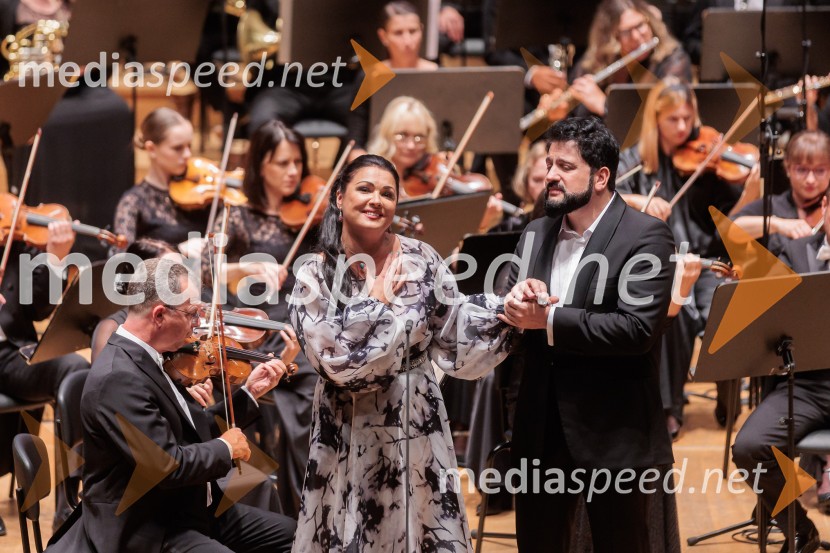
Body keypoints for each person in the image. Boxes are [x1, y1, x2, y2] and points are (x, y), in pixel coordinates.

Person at [287, 154, 512, 552]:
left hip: (416, 413)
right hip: (348, 424)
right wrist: (375, 300)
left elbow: (454, 327)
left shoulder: (422, 258)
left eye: (388, 193)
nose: (377, 199)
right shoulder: (314, 273)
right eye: (365, 189)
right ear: (339, 197)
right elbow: (337, 362)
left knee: (421, 526)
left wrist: (508, 310)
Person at [498, 117, 677, 553]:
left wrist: (551, 320)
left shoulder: (646, 235)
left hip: (613, 431)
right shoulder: (535, 231)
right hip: (541, 429)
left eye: (564, 166)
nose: (550, 175)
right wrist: (513, 302)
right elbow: (508, 307)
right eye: (548, 163)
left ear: (601, 176)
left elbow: (637, 330)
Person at [48, 258, 298, 553]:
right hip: (148, 527)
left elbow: (192, 430)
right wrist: (226, 449)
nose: (197, 325)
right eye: (192, 314)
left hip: (190, 508)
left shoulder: (154, 357)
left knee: (297, 535)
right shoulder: (118, 378)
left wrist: (250, 393)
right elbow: (167, 466)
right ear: (159, 316)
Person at [617, 78, 760, 430]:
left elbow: (731, 224)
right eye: (672, 120)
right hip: (660, 265)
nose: (682, 127)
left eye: (687, 118)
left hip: (709, 260)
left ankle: (728, 397)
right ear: (655, 120)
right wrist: (640, 204)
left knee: (727, 309)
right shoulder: (635, 160)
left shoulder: (711, 157)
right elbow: (608, 200)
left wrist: (750, 193)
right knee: (673, 313)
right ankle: (671, 407)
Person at [205, 119, 318, 517]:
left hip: (305, 320)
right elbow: (206, 270)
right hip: (259, 326)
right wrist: (245, 269)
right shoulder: (239, 216)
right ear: (260, 166)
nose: (293, 172)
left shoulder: (314, 214)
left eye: (298, 163)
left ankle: (314, 498)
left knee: (319, 374)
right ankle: (289, 507)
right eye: (282, 163)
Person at [732, 186, 830, 553]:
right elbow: (772, 325)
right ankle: (799, 527)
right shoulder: (795, 252)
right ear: (824, 206)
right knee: (749, 448)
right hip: (804, 384)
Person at [0, 220, 90, 534]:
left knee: (76, 369)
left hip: (10, 352)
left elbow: (38, 309)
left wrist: (54, 257)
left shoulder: (14, 244)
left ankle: (69, 503)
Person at [367, 95, 505, 231]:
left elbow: (452, 232)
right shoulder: (372, 174)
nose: (410, 145)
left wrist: (481, 220)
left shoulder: (440, 169)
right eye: (402, 135)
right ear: (387, 135)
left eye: (419, 137)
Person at [539, 0, 691, 122]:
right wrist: (559, 114)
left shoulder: (674, 60)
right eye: (626, 32)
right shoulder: (595, 63)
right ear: (611, 39)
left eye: (640, 25)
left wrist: (605, 105)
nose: (637, 37)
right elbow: (576, 124)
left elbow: (664, 118)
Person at [112, 107, 210, 252]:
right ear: (151, 149)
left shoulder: (203, 193)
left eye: (189, 146)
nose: (187, 154)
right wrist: (178, 251)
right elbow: (121, 263)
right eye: (178, 148)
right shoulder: (133, 202)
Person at [733, 130, 830, 257]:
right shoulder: (772, 205)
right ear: (788, 168)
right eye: (802, 170)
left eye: (820, 170)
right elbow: (728, 230)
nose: (810, 180)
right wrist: (777, 224)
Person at [378, 1, 437, 70]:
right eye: (398, 33)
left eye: (412, 31)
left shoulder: (439, 74)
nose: (407, 41)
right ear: (383, 37)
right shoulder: (370, 77)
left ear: (421, 31)